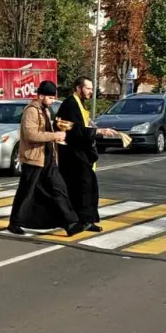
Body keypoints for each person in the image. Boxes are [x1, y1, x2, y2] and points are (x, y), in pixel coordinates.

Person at [8, 81, 86, 237]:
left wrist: (57, 131)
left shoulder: (46, 110)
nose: (52, 101)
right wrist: (54, 136)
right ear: (41, 96)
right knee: (26, 192)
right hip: (34, 158)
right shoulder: (31, 111)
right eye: (50, 98)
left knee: (60, 190)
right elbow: (31, 135)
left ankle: (71, 224)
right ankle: (14, 223)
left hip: (49, 158)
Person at [56, 77, 120, 233]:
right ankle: (80, 220)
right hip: (73, 155)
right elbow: (73, 129)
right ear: (78, 88)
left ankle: (87, 220)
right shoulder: (70, 104)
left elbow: (80, 125)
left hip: (80, 154)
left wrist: (92, 127)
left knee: (87, 188)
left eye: (92, 89)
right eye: (88, 88)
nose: (91, 92)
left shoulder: (78, 103)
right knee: (82, 188)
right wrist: (97, 131)